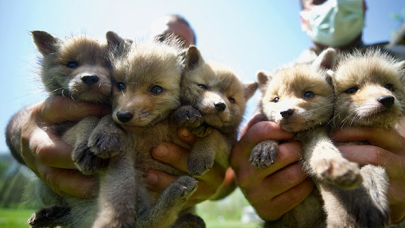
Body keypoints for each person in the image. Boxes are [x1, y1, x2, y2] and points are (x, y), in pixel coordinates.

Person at [5, 14, 231, 212]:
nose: (169, 50)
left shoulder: (199, 89)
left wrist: (217, 182)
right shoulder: (114, 67)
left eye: (182, 47)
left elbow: (229, 171)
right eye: (162, 39)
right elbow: (36, 114)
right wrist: (23, 129)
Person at [230, 0, 405, 225]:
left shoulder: (398, 58)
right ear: (304, 19)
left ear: (363, 5)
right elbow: (229, 172)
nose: (336, 3)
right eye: (319, 0)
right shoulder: (282, 77)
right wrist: (246, 179)